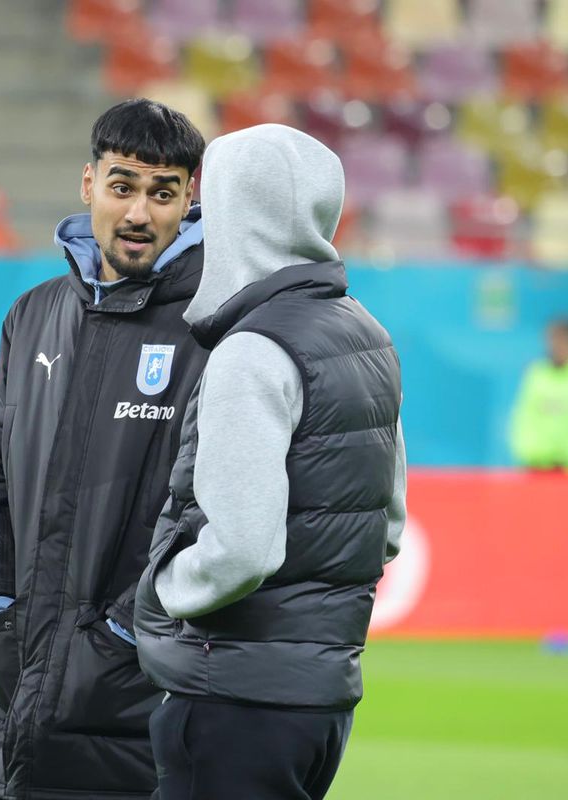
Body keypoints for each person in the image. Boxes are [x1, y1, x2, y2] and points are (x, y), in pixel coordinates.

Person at [133, 124, 407, 800]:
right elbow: (388, 528)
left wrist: (167, 593)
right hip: (322, 701)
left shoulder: (251, 351)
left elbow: (245, 550)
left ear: (236, 213)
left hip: (232, 695)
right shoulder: (367, 334)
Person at [0, 99, 208, 800]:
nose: (139, 214)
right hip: (14, 702)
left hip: (136, 714)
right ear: (88, 182)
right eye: (124, 186)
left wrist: (123, 638)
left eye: (163, 194)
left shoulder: (210, 330)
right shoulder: (34, 314)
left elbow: (206, 513)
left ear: (191, 199)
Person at [509, 317, 568, 472]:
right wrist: (538, 455)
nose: (556, 346)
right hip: (542, 471)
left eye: (562, 340)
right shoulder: (538, 374)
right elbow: (524, 421)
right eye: (552, 340)